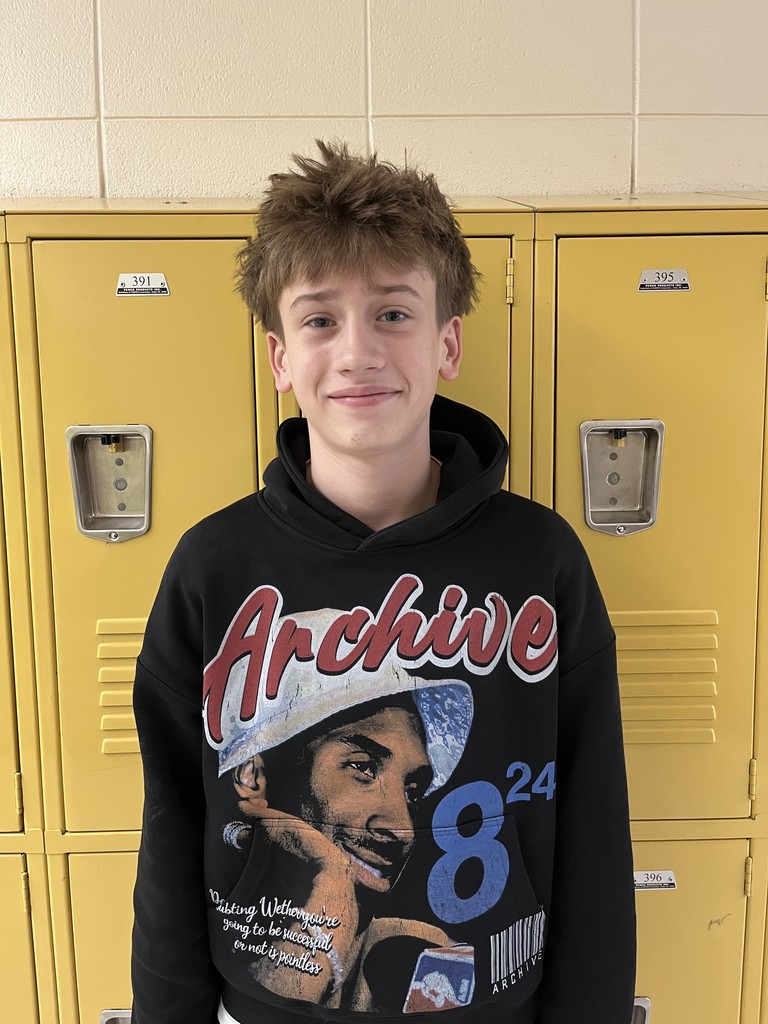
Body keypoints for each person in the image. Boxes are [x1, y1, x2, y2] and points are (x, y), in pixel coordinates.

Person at [131, 140, 636, 1024]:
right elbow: (170, 828)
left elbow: (593, 825)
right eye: (320, 320)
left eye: (393, 314)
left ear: (448, 343)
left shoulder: (540, 561)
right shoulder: (214, 568)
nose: (358, 351)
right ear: (281, 357)